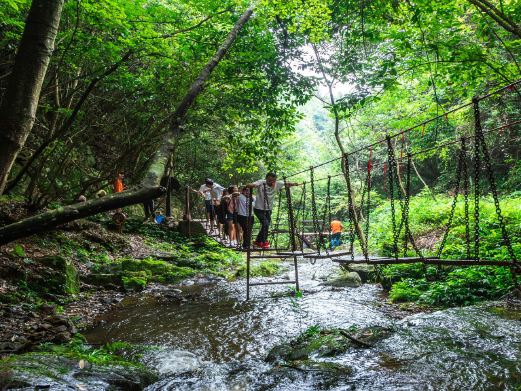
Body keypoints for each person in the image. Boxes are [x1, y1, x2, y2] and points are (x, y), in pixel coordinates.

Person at [246, 172, 300, 249]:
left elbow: (286, 183)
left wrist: (294, 184)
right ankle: (259, 241)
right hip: (259, 209)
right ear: (266, 178)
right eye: (270, 180)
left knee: (266, 226)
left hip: (268, 209)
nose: (271, 182)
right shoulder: (261, 182)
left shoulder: (277, 183)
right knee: (266, 224)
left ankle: (261, 242)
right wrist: (251, 185)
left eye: (273, 180)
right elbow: (252, 185)